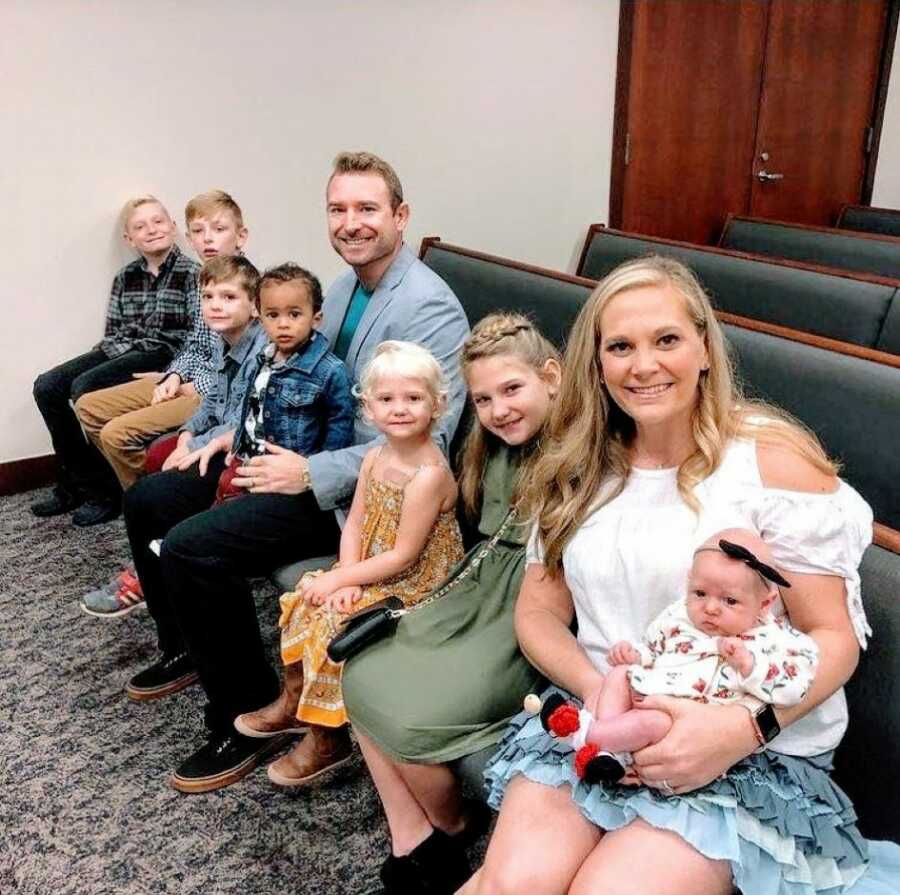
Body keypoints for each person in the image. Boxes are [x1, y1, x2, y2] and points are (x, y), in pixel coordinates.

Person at [465, 255, 900, 895]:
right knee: (513, 886)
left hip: (745, 747)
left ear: (703, 347)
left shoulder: (773, 464)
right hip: (602, 721)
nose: (643, 365)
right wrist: (602, 693)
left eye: (666, 339)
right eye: (621, 346)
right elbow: (536, 614)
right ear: (596, 362)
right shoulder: (575, 467)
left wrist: (741, 729)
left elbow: (832, 637)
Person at [123, 152, 469, 795]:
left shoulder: (429, 309)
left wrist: (306, 473)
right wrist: (229, 432)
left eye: (367, 209)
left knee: (197, 545)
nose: (351, 223)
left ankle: (244, 713)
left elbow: (419, 438)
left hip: (357, 487)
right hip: (300, 452)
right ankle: (186, 647)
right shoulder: (342, 287)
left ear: (400, 216)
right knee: (150, 500)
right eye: (338, 209)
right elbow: (296, 376)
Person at [338, 314, 561, 894]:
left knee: (409, 719)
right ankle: (420, 835)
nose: (499, 410)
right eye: (483, 399)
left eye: (512, 390)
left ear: (552, 377)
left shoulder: (577, 452)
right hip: (478, 584)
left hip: (529, 607)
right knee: (363, 667)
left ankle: (453, 823)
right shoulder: (495, 448)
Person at [237, 340, 464, 786]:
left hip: (416, 582)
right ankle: (295, 701)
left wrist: (346, 578)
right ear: (369, 408)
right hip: (370, 566)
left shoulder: (429, 475)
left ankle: (328, 737)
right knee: (305, 598)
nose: (399, 409)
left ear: (437, 406)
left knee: (331, 627)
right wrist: (343, 580)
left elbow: (405, 556)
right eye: (387, 399)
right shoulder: (376, 456)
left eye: (413, 398)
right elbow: (357, 521)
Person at [530, 527, 818, 785]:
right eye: (700, 593)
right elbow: (655, 650)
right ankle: (608, 755)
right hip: (646, 694)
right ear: (688, 583)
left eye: (730, 601)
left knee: (651, 722)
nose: (711, 608)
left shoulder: (772, 642)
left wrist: (749, 666)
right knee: (619, 676)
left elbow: (792, 690)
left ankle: (582, 734)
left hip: (682, 727)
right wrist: (635, 656)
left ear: (764, 604)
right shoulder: (679, 617)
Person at [72, 190, 248, 528]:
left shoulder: (247, 284)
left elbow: (243, 367)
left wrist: (191, 386)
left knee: (115, 434)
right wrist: (174, 377)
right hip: (186, 377)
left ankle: (154, 504)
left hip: (212, 393)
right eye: (198, 231)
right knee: (87, 405)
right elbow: (194, 344)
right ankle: (147, 497)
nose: (207, 239)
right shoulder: (204, 279)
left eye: (218, 230)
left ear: (240, 236)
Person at [31, 195, 197, 524]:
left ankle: (105, 492)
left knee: (84, 387)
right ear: (129, 238)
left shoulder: (192, 273)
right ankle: (76, 483)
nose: (151, 230)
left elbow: (196, 336)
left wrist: (172, 372)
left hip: (163, 351)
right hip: (120, 348)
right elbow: (114, 332)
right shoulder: (125, 277)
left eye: (158, 221)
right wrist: (103, 356)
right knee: (47, 386)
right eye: (140, 226)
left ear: (173, 227)